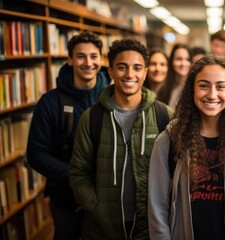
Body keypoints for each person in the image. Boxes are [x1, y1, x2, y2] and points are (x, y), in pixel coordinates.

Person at [148, 54, 225, 239]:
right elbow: (157, 206)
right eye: (204, 85)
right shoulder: (169, 140)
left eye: (220, 86)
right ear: (191, 90)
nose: (212, 94)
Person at [69, 39, 173, 240]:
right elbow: (78, 172)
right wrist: (95, 208)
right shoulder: (91, 118)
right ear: (110, 72)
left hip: (149, 229)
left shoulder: (164, 115)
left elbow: (176, 171)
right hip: (101, 230)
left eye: (137, 68)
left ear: (145, 73)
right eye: (122, 67)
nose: (129, 74)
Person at [26, 31, 110, 240]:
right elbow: (36, 154)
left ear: (101, 59)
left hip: (108, 198)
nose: (88, 62)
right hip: (66, 199)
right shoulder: (50, 102)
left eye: (93, 56)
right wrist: (79, 182)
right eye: (81, 56)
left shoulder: (114, 98)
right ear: (70, 60)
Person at [157, 43, 192, 109]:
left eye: (187, 59)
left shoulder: (195, 87)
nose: (183, 63)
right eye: (179, 59)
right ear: (171, 61)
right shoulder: (162, 89)